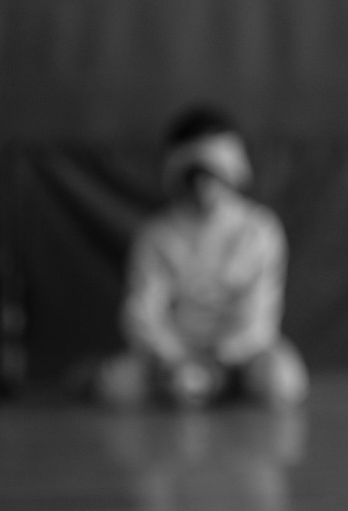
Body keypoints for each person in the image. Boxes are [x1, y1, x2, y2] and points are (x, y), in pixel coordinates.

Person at [92, 104, 309, 409]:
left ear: (233, 171)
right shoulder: (157, 235)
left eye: (214, 173)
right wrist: (176, 361)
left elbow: (261, 316)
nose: (205, 185)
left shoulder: (260, 230)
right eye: (196, 175)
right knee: (117, 388)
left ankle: (227, 389)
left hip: (241, 358)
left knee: (283, 383)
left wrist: (219, 362)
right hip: (174, 359)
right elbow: (142, 313)